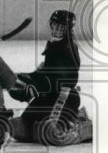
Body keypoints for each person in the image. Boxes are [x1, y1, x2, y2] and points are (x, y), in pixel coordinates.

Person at [10, 10, 91, 145]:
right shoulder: (54, 44)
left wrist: (35, 87)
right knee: (18, 129)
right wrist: (25, 78)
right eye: (54, 25)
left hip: (64, 97)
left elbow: (64, 80)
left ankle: (84, 128)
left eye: (61, 27)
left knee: (53, 135)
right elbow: (45, 72)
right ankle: (67, 119)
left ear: (68, 30)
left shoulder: (68, 47)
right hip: (49, 95)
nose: (57, 30)